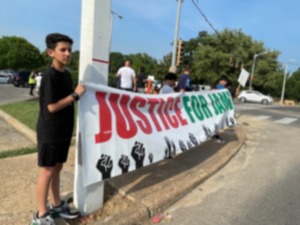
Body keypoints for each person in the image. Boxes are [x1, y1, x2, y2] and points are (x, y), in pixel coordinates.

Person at [31, 33, 85, 225]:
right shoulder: (49, 76)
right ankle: (41, 214)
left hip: (63, 130)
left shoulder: (66, 74)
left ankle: (56, 204)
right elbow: (51, 107)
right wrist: (75, 95)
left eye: (70, 49)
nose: (67, 53)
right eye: (63, 50)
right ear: (51, 52)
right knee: (47, 170)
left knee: (58, 167)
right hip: (50, 130)